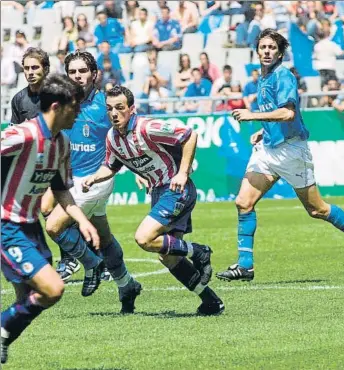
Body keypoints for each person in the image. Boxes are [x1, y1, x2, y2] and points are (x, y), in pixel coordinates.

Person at [216, 29, 344, 282]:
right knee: (243, 202)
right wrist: (263, 129)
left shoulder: (283, 76)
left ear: (280, 53)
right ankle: (245, 266)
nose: (267, 51)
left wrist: (253, 116)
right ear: (257, 51)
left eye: (272, 48)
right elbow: (275, 113)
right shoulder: (264, 77)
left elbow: (288, 113)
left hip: (292, 151)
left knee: (317, 209)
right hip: (269, 149)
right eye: (263, 47)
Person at [82, 85, 225, 316]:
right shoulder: (112, 138)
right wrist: (93, 178)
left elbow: (190, 135)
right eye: (109, 109)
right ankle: (210, 301)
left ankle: (199, 252)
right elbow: (110, 166)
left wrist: (183, 172)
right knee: (169, 258)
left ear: (131, 109)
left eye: (120, 108)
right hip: (159, 192)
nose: (114, 113)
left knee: (144, 237)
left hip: (176, 188)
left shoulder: (147, 127)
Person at [1, 73, 100, 365]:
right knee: (53, 288)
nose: (79, 112)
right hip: (7, 226)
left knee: (26, 301)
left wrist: (82, 220)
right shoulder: (24, 134)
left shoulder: (62, 144)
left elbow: (60, 190)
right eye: (74, 106)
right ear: (56, 107)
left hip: (30, 229)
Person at [44, 51, 141, 312]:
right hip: (71, 179)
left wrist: (137, 170)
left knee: (54, 226)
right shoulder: (62, 102)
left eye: (82, 71)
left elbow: (126, 136)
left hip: (95, 180)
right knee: (104, 237)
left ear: (94, 74)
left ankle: (91, 264)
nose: (77, 76)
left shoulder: (105, 106)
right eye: (72, 72)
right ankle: (126, 284)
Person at [10, 47, 50, 125]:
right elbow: (14, 130)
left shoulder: (58, 96)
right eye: (26, 68)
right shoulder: (18, 99)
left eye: (35, 67)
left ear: (45, 69)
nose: (30, 72)